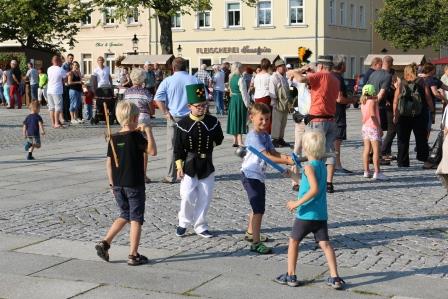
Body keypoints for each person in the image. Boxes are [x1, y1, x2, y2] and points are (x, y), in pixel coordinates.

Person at [275, 131, 345, 289]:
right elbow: (307, 184)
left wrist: (296, 203)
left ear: (305, 148)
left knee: (293, 241)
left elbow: (312, 190)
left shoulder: (308, 167)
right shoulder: (321, 166)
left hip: (306, 214)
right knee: (325, 244)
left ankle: (291, 275)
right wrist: (293, 177)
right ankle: (335, 277)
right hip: (320, 215)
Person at [95, 100, 156, 266]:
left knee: (124, 214)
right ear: (135, 117)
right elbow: (152, 151)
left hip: (117, 185)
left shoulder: (113, 138)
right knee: (136, 218)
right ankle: (133, 254)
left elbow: (108, 164)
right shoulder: (136, 136)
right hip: (134, 184)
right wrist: (148, 132)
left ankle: (105, 243)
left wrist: (111, 185)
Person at [241, 103, 293, 254]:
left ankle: (251, 233)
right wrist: (286, 161)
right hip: (250, 175)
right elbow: (266, 156)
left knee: (255, 205)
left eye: (268, 119)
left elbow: (273, 152)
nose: (265, 122)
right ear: (252, 118)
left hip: (258, 176)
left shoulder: (265, 135)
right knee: (258, 210)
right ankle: (255, 243)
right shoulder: (253, 137)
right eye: (261, 119)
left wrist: (287, 157)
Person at [174, 83, 224, 238]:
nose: (202, 108)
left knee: (205, 195)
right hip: (189, 164)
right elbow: (178, 147)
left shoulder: (212, 121)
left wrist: (210, 145)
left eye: (204, 105)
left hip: (206, 164)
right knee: (187, 195)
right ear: (189, 106)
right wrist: (179, 166)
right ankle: (183, 222)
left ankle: (200, 225)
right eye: (198, 106)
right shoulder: (182, 124)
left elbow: (219, 138)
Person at [155, 57, 202, 183]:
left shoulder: (168, 81)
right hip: (191, 117)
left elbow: (158, 98)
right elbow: (202, 100)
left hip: (174, 116)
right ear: (186, 67)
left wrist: (165, 112)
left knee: (172, 146)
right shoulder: (194, 79)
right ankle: (190, 173)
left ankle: (171, 175)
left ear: (173, 67)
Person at [297, 55, 340, 193]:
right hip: (331, 119)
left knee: (313, 151)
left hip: (317, 119)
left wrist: (299, 70)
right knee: (329, 151)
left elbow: (300, 79)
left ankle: (313, 181)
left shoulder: (320, 74)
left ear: (320, 66)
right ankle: (329, 183)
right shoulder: (335, 78)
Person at [393, 64, 431, 168]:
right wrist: (431, 110)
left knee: (403, 139)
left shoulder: (401, 82)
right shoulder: (422, 81)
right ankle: (424, 159)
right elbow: (428, 98)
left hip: (403, 114)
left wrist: (395, 114)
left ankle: (402, 162)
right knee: (421, 138)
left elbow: (396, 100)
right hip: (419, 114)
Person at [124, 68, 154, 184]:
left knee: (131, 147)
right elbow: (152, 111)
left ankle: (130, 173)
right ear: (142, 79)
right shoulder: (146, 92)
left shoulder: (127, 93)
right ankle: (143, 175)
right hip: (143, 119)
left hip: (130, 119)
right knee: (144, 148)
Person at [332, 57, 357, 174]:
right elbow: (339, 99)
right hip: (338, 113)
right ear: (342, 66)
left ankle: (332, 164)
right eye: (346, 64)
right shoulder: (339, 78)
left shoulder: (330, 75)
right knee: (337, 139)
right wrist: (353, 100)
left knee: (331, 139)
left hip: (330, 111)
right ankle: (337, 165)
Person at [360, 84, 388, 180]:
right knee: (376, 151)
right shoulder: (372, 101)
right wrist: (379, 127)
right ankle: (377, 172)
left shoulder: (363, 102)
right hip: (373, 127)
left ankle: (366, 171)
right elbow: (373, 115)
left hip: (365, 127)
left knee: (366, 149)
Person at [269, 59, 292, 148]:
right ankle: (275, 139)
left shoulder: (284, 77)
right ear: (278, 68)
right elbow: (272, 91)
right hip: (277, 102)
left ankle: (280, 138)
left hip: (285, 102)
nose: (284, 68)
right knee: (277, 122)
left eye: (284, 66)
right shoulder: (274, 77)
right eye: (282, 66)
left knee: (283, 121)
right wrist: (274, 102)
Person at [227, 62, 250, 147]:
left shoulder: (231, 77)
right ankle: (240, 141)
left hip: (233, 100)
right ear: (238, 68)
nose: (243, 69)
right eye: (241, 68)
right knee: (240, 119)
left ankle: (235, 140)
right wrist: (248, 104)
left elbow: (230, 91)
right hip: (240, 100)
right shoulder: (241, 79)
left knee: (234, 119)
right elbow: (244, 93)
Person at [47, 55, 67, 128]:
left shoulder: (49, 69)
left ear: (52, 61)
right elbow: (65, 80)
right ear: (59, 61)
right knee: (58, 107)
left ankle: (53, 123)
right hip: (57, 90)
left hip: (49, 90)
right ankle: (56, 123)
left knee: (51, 108)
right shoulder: (61, 69)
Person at [253, 58, 272, 133]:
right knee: (267, 116)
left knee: (258, 115)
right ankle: (267, 132)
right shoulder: (269, 76)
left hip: (257, 96)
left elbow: (255, 86)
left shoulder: (257, 76)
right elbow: (271, 88)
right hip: (266, 96)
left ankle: (258, 130)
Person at [62, 53, 74, 122]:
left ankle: (69, 117)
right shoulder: (64, 65)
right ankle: (65, 117)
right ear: (67, 58)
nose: (71, 59)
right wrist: (67, 74)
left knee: (69, 101)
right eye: (70, 58)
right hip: (65, 85)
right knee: (65, 102)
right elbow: (62, 75)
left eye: (72, 58)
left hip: (70, 85)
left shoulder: (71, 65)